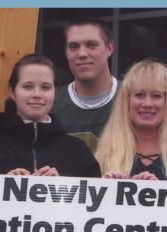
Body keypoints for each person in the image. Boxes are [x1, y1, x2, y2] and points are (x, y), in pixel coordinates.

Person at [0, 54, 100, 178]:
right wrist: (3, 187)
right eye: (28, 86)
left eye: (45, 87)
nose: (37, 94)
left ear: (55, 92)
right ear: (12, 92)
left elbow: (94, 202)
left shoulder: (78, 152)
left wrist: (60, 188)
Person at [95, 59, 167, 182]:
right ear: (126, 102)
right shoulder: (102, 157)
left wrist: (157, 193)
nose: (147, 104)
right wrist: (105, 188)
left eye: (156, 96)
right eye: (139, 95)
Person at [50, 18, 118, 151]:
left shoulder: (133, 100)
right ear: (66, 52)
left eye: (91, 45)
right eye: (74, 46)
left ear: (109, 48)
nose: (82, 54)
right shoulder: (51, 106)